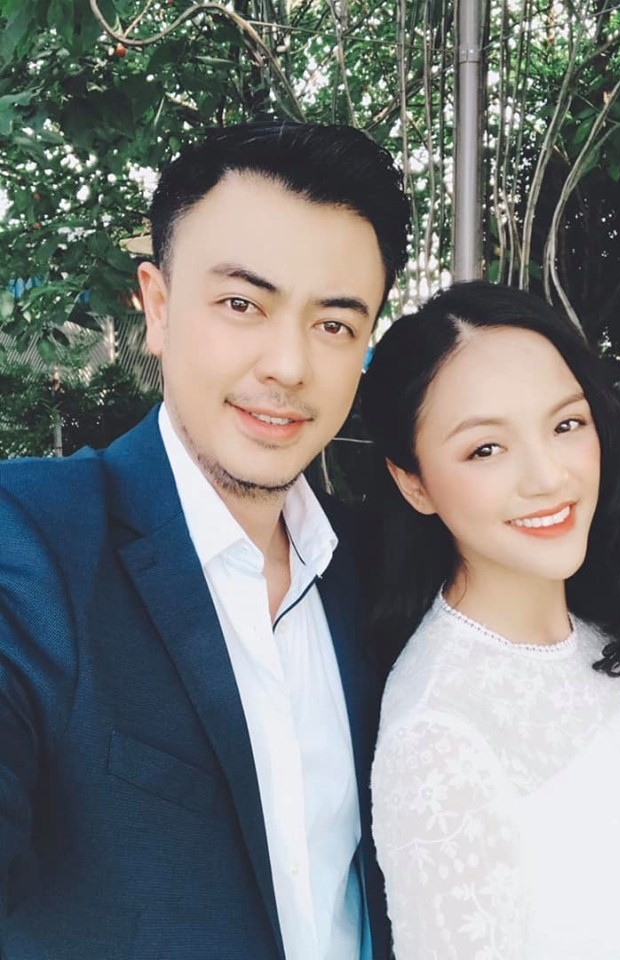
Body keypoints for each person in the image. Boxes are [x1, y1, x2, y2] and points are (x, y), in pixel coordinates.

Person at [0, 121, 410, 960]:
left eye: (334, 324)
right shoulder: (33, 541)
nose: (288, 365)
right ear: (157, 307)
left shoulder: (376, 568)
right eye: (241, 305)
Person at [360, 280, 620, 960]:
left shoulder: (601, 630)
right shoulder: (438, 741)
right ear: (413, 482)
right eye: (485, 449)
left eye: (565, 425)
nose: (548, 477)